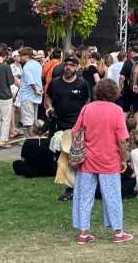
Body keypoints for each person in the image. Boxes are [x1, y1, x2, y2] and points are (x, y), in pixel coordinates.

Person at [70, 79, 133, 245]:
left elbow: (75, 131)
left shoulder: (87, 108)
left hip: (87, 160)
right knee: (112, 196)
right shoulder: (117, 110)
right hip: (109, 160)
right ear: (114, 93)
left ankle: (83, 233)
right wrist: (124, 158)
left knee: (84, 196)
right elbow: (122, 139)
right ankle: (118, 232)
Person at [45, 55, 92, 201]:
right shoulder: (55, 83)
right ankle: (68, 181)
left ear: (77, 67)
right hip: (58, 123)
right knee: (59, 154)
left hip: (76, 125)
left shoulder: (82, 84)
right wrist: (50, 107)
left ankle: (72, 187)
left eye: (72, 65)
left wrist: (84, 117)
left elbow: (88, 100)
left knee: (73, 155)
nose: (68, 67)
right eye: (66, 64)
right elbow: (48, 96)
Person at [15, 48, 44, 137]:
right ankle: (34, 138)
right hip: (37, 96)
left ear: (26, 56)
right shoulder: (38, 65)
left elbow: (30, 80)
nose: (20, 58)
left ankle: (32, 139)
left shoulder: (27, 66)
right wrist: (38, 90)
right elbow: (40, 77)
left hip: (27, 95)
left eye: (21, 56)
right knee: (33, 119)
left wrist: (35, 89)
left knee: (28, 121)